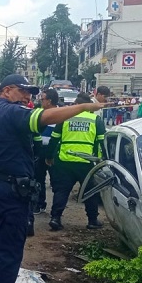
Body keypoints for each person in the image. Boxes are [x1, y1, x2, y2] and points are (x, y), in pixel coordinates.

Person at [0, 74, 104, 283]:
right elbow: (45, 118)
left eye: (31, 92)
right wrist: (85, 107)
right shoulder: (12, 112)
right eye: (23, 91)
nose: (28, 96)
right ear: (7, 90)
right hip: (10, 193)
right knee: (8, 254)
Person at [47, 92, 105, 232]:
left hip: (65, 161)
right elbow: (102, 142)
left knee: (61, 191)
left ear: (76, 105)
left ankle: (55, 218)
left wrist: (48, 156)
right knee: (90, 192)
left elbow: (54, 139)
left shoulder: (65, 118)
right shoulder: (96, 119)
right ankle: (92, 220)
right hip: (87, 163)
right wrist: (104, 160)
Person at [33, 88, 59, 215]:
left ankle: (56, 211)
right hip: (41, 150)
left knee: (57, 181)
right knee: (39, 178)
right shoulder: (39, 113)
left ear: (49, 101)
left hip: (55, 150)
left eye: (42, 99)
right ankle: (39, 204)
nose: (40, 101)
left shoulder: (61, 114)